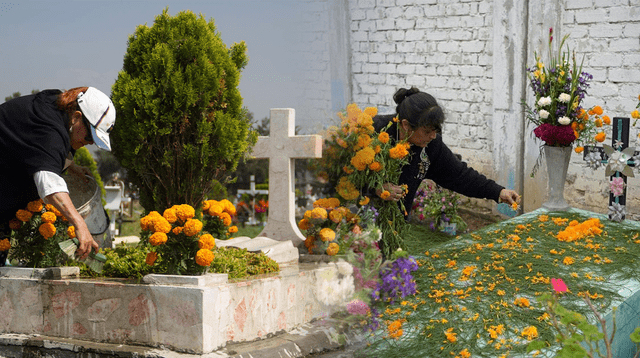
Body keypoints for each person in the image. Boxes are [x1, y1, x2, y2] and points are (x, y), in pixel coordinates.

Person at [0, 87, 116, 266]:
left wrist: (71, 166)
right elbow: (48, 183)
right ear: (77, 117)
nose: (90, 142)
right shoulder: (49, 128)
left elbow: (36, 151)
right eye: (90, 135)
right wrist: (79, 223)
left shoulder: (55, 108)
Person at [374, 87, 519, 214]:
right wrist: (375, 188)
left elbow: (459, 175)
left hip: (396, 223)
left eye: (435, 131)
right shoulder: (373, 132)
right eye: (427, 131)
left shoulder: (430, 144)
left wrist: (498, 191)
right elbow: (352, 175)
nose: (433, 136)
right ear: (405, 125)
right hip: (361, 219)